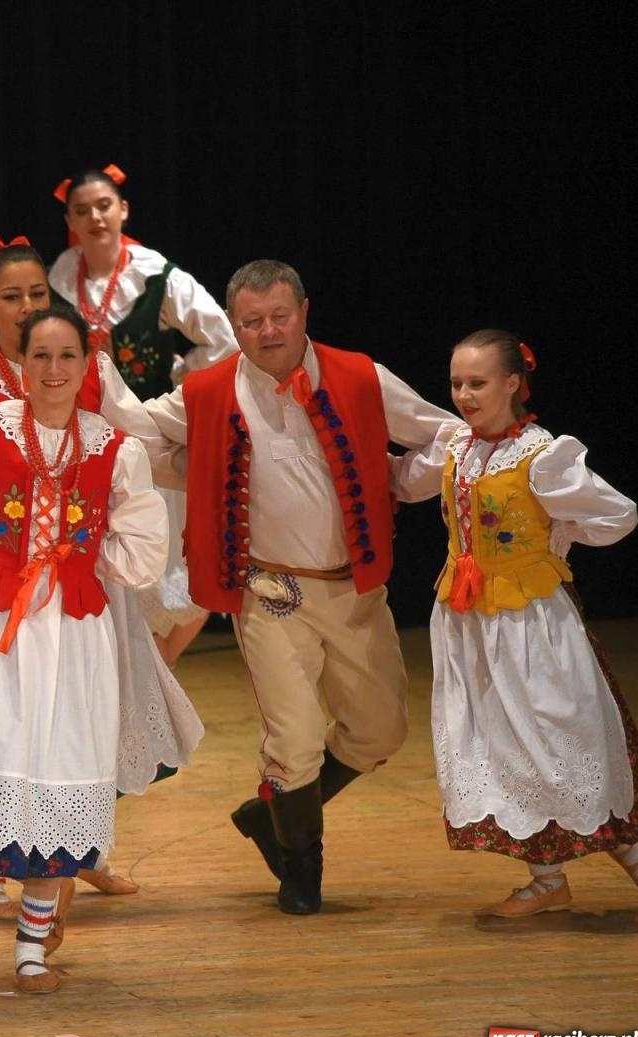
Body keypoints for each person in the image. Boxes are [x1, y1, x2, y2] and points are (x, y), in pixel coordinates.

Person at [144, 259, 455, 915]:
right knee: (294, 739)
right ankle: (302, 870)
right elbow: (141, 436)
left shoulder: (359, 375)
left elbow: (445, 435)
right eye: (252, 322)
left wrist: (398, 481)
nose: (268, 331)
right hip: (269, 592)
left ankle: (269, 820)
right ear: (235, 325)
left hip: (354, 590)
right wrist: (183, 469)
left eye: (279, 316)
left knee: (381, 730)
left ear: (304, 313)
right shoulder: (207, 391)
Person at [0, 245, 202, 917]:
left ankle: (70, 850)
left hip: (82, 588)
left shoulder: (88, 373)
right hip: (4, 585)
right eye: (12, 297)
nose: (28, 307)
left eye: (38, 293)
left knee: (82, 720)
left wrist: (216, 468)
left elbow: (141, 443)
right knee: (0, 717)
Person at [390, 330, 638, 916]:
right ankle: (547, 878)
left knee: (557, 736)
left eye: (477, 383)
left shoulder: (542, 455)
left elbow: (617, 515)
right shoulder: (457, 445)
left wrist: (554, 540)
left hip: (532, 623)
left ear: (513, 383)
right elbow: (403, 483)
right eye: (457, 383)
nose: (463, 395)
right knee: (499, 742)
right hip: (468, 622)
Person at [49, 164, 238, 665]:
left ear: (123, 210)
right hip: (82, 441)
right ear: (70, 217)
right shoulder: (60, 275)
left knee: (171, 570)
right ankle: (139, 673)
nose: (95, 217)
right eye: (82, 210)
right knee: (106, 562)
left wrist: (178, 376)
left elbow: (223, 340)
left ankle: (159, 667)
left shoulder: (156, 274)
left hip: (147, 439)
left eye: (104, 206)